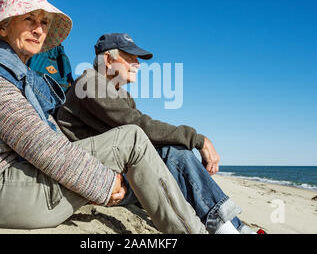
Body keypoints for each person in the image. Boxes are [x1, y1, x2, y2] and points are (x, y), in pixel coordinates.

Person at [0, 0, 212, 233]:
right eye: (29, 19)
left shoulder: (19, 72)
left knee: (136, 149)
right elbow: (40, 145)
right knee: (133, 140)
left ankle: (207, 221)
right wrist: (102, 183)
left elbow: (50, 137)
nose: (39, 30)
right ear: (3, 28)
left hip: (13, 182)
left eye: (44, 22)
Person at [56, 33, 258, 234]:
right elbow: (140, 125)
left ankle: (233, 227)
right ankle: (230, 229)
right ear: (108, 60)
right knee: (174, 153)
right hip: (96, 180)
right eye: (130, 58)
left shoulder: (120, 93)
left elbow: (144, 134)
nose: (138, 64)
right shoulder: (90, 83)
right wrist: (198, 140)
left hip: (120, 176)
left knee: (172, 154)